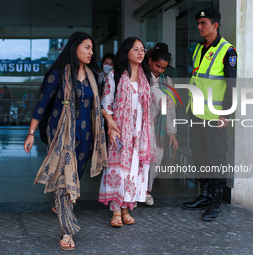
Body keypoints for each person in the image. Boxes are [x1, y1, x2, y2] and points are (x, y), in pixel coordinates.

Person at [23, 32, 110, 251]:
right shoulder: (58, 75)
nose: (91, 52)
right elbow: (42, 104)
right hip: (61, 134)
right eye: (87, 47)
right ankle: (67, 231)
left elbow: (95, 107)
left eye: (92, 48)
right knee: (64, 181)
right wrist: (31, 133)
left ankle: (63, 205)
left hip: (86, 137)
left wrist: (108, 127)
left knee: (74, 180)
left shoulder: (93, 75)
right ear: (75, 48)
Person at [181, 8, 237, 221]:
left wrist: (226, 114)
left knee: (216, 157)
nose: (199, 27)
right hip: (196, 113)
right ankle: (204, 194)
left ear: (216, 25)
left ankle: (216, 199)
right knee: (199, 155)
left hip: (215, 116)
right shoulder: (197, 49)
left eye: (203, 22)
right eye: (198, 22)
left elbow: (232, 85)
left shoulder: (227, 51)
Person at [98, 37, 157, 226]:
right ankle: (116, 210)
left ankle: (126, 209)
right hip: (120, 131)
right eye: (136, 49)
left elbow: (154, 97)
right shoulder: (114, 75)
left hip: (140, 134)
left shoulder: (147, 77)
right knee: (117, 170)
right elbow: (106, 104)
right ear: (126, 52)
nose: (141, 53)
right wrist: (111, 127)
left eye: (143, 49)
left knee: (134, 171)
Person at [146, 47, 178, 206]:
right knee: (140, 161)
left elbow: (170, 109)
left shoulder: (167, 81)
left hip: (158, 128)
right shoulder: (141, 77)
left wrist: (171, 132)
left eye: (163, 68)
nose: (159, 70)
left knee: (155, 160)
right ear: (150, 61)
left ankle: (146, 190)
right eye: (157, 66)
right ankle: (138, 192)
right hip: (142, 126)